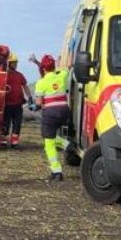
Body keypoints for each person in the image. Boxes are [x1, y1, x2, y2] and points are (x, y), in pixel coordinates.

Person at [31, 53, 70, 181]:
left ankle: (56, 171)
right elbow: (67, 66)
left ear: (43, 68)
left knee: (48, 143)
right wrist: (60, 62)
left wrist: (33, 107)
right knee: (51, 138)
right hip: (64, 111)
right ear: (54, 66)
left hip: (50, 114)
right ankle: (67, 144)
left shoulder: (41, 83)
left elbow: (38, 103)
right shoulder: (62, 76)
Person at [2, 54, 31, 149]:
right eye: (14, 63)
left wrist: (29, 96)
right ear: (9, 63)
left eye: (16, 63)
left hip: (18, 104)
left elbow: (25, 86)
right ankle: (3, 141)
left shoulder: (19, 75)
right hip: (6, 104)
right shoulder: (3, 75)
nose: (16, 65)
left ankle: (14, 142)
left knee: (17, 123)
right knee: (5, 123)